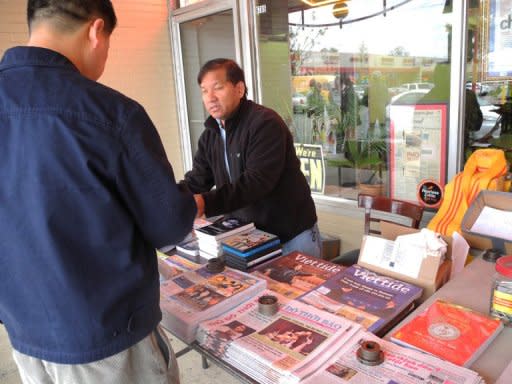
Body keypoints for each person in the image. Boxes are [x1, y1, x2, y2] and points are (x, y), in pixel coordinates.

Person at [0, 1, 197, 383]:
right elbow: (170, 226)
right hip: (109, 344)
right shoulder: (110, 113)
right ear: (95, 31)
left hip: (24, 336)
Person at [183, 58, 321, 257]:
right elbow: (197, 180)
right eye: (204, 91)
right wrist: (171, 198)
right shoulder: (210, 135)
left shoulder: (264, 123)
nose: (210, 97)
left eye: (218, 88)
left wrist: (205, 202)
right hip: (249, 240)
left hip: (291, 237)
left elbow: (256, 182)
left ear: (239, 89)